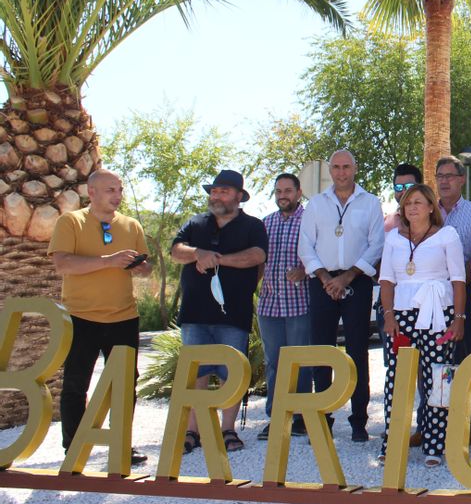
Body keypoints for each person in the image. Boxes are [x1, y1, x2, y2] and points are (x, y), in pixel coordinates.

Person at [48, 169, 153, 465]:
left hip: (124, 318)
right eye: (110, 190)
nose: (117, 195)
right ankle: (74, 448)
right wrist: (108, 261)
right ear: (91, 192)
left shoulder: (131, 225)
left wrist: (139, 267)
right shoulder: (71, 221)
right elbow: (62, 264)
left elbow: (147, 268)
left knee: (123, 385)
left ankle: (121, 446)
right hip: (81, 317)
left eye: (119, 190)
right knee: (75, 383)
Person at [170, 169, 268, 454]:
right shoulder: (195, 223)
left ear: (239, 197)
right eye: (214, 191)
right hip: (194, 313)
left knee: (231, 372)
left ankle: (228, 429)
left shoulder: (253, 225)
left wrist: (217, 260)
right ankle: (192, 430)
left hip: (233, 313)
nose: (217, 196)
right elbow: (176, 250)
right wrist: (197, 254)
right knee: (195, 373)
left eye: (224, 191)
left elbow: (258, 256)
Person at [298, 150, 384, 443]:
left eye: (346, 167)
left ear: (355, 169)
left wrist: (347, 277)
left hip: (356, 281)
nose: (341, 172)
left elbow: (376, 244)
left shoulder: (370, 202)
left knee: (357, 352)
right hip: (322, 283)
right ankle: (322, 420)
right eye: (336, 167)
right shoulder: (316, 204)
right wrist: (325, 278)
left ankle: (359, 422)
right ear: (330, 171)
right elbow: (306, 245)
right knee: (321, 352)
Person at [377, 184, 467, 466]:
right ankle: (392, 441)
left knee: (438, 378)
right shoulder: (393, 238)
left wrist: (459, 318)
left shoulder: (447, 235)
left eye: (418, 202)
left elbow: (458, 279)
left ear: (431, 207)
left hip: (438, 313)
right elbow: (386, 280)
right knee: (396, 378)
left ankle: (435, 444)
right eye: (407, 203)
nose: (412, 207)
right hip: (402, 315)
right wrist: (389, 316)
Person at [255, 172, 311, 441]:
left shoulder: (310, 222)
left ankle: (300, 416)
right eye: (278, 191)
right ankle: (277, 416)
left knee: (299, 361)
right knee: (274, 362)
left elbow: (320, 256)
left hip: (299, 302)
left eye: (288, 190)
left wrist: (304, 270)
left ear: (299, 193)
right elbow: (258, 261)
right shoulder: (265, 224)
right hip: (269, 304)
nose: (283, 196)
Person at [434, 156, 471, 365]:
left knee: (462, 355)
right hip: (431, 294)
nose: (444, 181)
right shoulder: (428, 212)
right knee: (431, 353)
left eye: (449, 176)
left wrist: (456, 284)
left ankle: (466, 398)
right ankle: (429, 399)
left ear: (462, 179)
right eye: (440, 176)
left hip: (465, 293)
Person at [384, 162, 423, 449]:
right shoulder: (389, 225)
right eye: (398, 187)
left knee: (430, 373)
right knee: (396, 370)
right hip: (393, 308)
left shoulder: (436, 226)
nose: (403, 192)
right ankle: (395, 433)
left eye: (409, 186)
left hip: (429, 309)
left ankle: (427, 428)